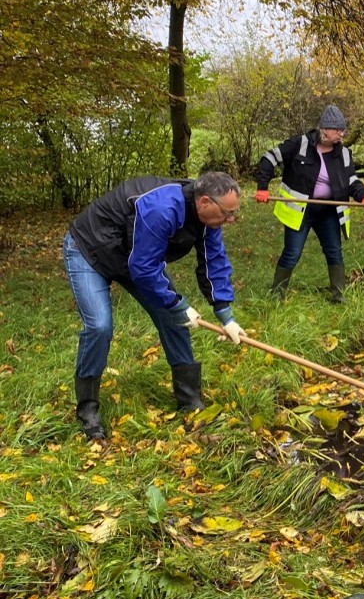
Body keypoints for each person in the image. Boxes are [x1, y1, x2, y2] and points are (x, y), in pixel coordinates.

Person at [63, 172, 244, 442]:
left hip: (134, 255)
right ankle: (88, 409)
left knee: (173, 319)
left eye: (234, 213)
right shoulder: (162, 207)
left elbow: (214, 262)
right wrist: (178, 304)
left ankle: (190, 400)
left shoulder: (208, 220)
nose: (230, 220)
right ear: (205, 201)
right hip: (90, 249)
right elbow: (145, 270)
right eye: (227, 213)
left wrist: (225, 315)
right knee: (100, 326)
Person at [255, 104, 364, 302]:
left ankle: (339, 295)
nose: (342, 135)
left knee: (334, 251)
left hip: (328, 211)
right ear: (325, 129)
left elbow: (351, 180)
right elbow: (269, 158)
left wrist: (363, 195)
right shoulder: (299, 144)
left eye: (343, 130)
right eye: (338, 130)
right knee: (292, 253)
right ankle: (276, 295)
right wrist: (262, 187)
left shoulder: (343, 153)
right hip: (300, 211)